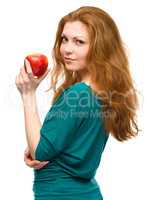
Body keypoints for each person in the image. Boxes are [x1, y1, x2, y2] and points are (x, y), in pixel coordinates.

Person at [15, 6, 139, 200]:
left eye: (79, 42)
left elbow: (40, 153)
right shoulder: (103, 92)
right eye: (64, 39)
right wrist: (38, 146)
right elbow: (60, 147)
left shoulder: (79, 94)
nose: (67, 49)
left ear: (100, 48)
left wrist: (28, 94)